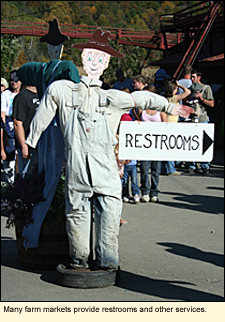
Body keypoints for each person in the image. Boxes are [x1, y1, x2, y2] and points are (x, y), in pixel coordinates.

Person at [23, 28, 193, 271]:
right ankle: (78, 260)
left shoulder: (112, 98)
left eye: (101, 58)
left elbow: (142, 98)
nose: (94, 62)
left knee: (110, 216)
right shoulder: (61, 90)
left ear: (107, 63)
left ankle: (107, 262)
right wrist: (32, 140)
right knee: (77, 215)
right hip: (78, 170)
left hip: (107, 172)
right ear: (83, 58)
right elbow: (43, 114)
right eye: (90, 56)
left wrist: (169, 107)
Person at [139, 85, 167, 203]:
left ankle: (154, 192)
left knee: (156, 170)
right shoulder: (141, 109)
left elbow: (166, 127)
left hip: (157, 145)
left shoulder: (160, 111)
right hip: (144, 144)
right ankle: (144, 191)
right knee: (144, 169)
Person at [185, 69, 214, 174]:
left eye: (194, 77)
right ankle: (191, 164)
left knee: (204, 142)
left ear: (199, 77)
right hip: (192, 119)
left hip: (202, 119)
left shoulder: (206, 88)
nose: (192, 79)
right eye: (191, 77)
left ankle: (204, 165)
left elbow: (211, 104)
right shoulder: (190, 89)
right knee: (191, 142)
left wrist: (201, 98)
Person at [162, 80, 191, 176]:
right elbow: (188, 92)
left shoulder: (165, 98)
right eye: (176, 89)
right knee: (171, 147)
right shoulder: (174, 98)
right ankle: (171, 169)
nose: (177, 90)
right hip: (172, 123)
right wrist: (180, 85)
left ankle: (165, 168)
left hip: (167, 123)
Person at [12, 85, 40, 177]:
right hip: (28, 144)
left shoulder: (42, 93)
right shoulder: (22, 97)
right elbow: (17, 123)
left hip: (40, 143)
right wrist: (24, 145)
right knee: (25, 175)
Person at [1, 70, 22, 183]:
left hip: (21, 123)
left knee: (20, 152)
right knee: (10, 151)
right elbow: (2, 112)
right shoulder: (5, 94)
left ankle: (19, 178)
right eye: (11, 80)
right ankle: (10, 180)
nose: (14, 82)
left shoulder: (23, 94)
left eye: (16, 80)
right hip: (9, 122)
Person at [120, 113, 140, 204]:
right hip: (124, 163)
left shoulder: (134, 134)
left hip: (133, 163)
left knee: (134, 180)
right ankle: (125, 194)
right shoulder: (120, 136)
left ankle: (136, 194)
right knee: (125, 181)